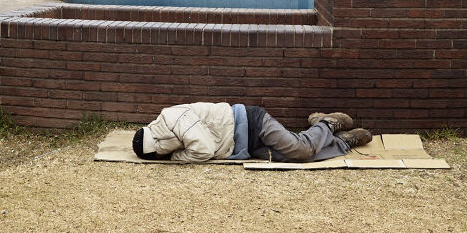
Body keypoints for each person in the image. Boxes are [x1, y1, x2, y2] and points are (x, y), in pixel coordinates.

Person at [132, 102, 372, 163]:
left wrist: (176, 158)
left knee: (301, 148)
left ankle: (326, 124)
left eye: (158, 156)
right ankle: (343, 143)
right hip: (243, 147)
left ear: (157, 146)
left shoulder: (171, 118)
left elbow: (203, 148)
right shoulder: (170, 133)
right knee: (298, 159)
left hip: (251, 121)